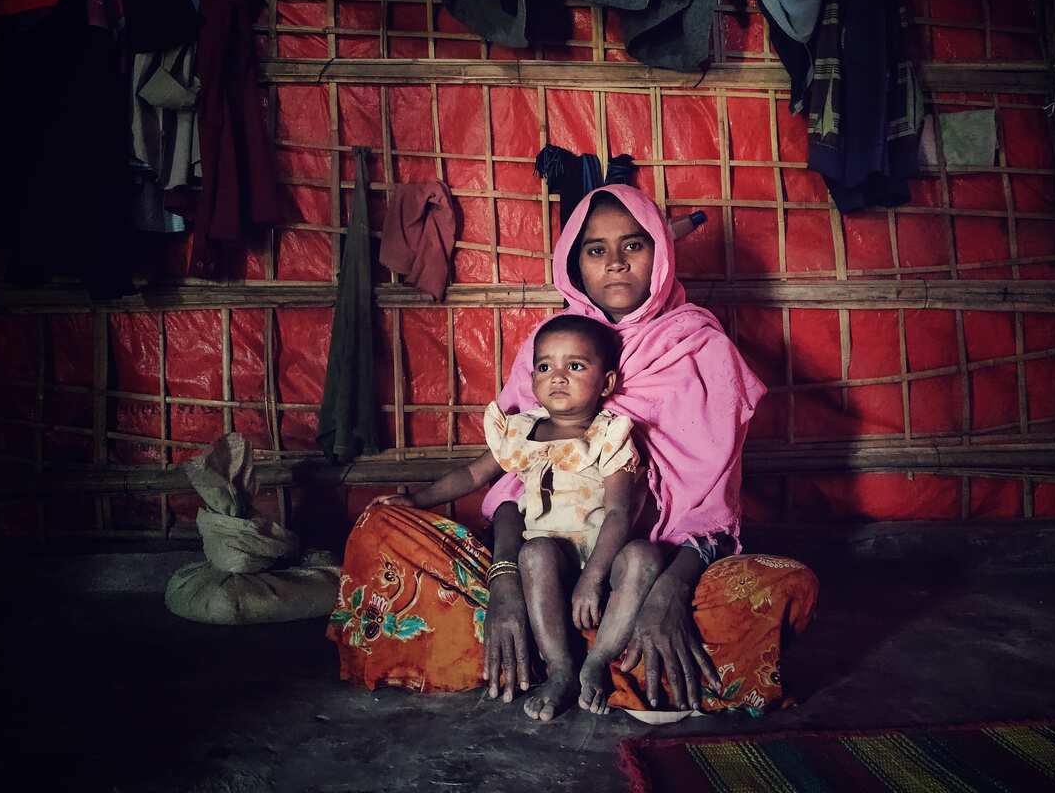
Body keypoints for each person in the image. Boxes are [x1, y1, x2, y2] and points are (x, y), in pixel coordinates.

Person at [329, 185, 819, 722]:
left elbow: (710, 514)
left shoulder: (701, 350)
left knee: (783, 586)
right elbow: (510, 485)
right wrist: (504, 579)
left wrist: (668, 593)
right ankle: (569, 655)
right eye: (595, 249)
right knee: (382, 527)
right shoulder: (550, 346)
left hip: (651, 571)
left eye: (634, 245)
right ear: (574, 263)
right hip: (541, 564)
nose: (615, 263)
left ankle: (591, 654)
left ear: (661, 252)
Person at [366, 314, 657, 719]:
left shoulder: (609, 437)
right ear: (532, 379)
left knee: (645, 555)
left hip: (603, 561)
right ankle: (561, 669)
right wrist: (417, 500)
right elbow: (472, 475)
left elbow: (620, 512)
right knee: (534, 551)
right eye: (545, 367)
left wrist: (594, 576)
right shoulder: (521, 432)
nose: (558, 377)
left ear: (606, 383)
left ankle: (596, 662)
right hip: (547, 567)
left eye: (575, 366)